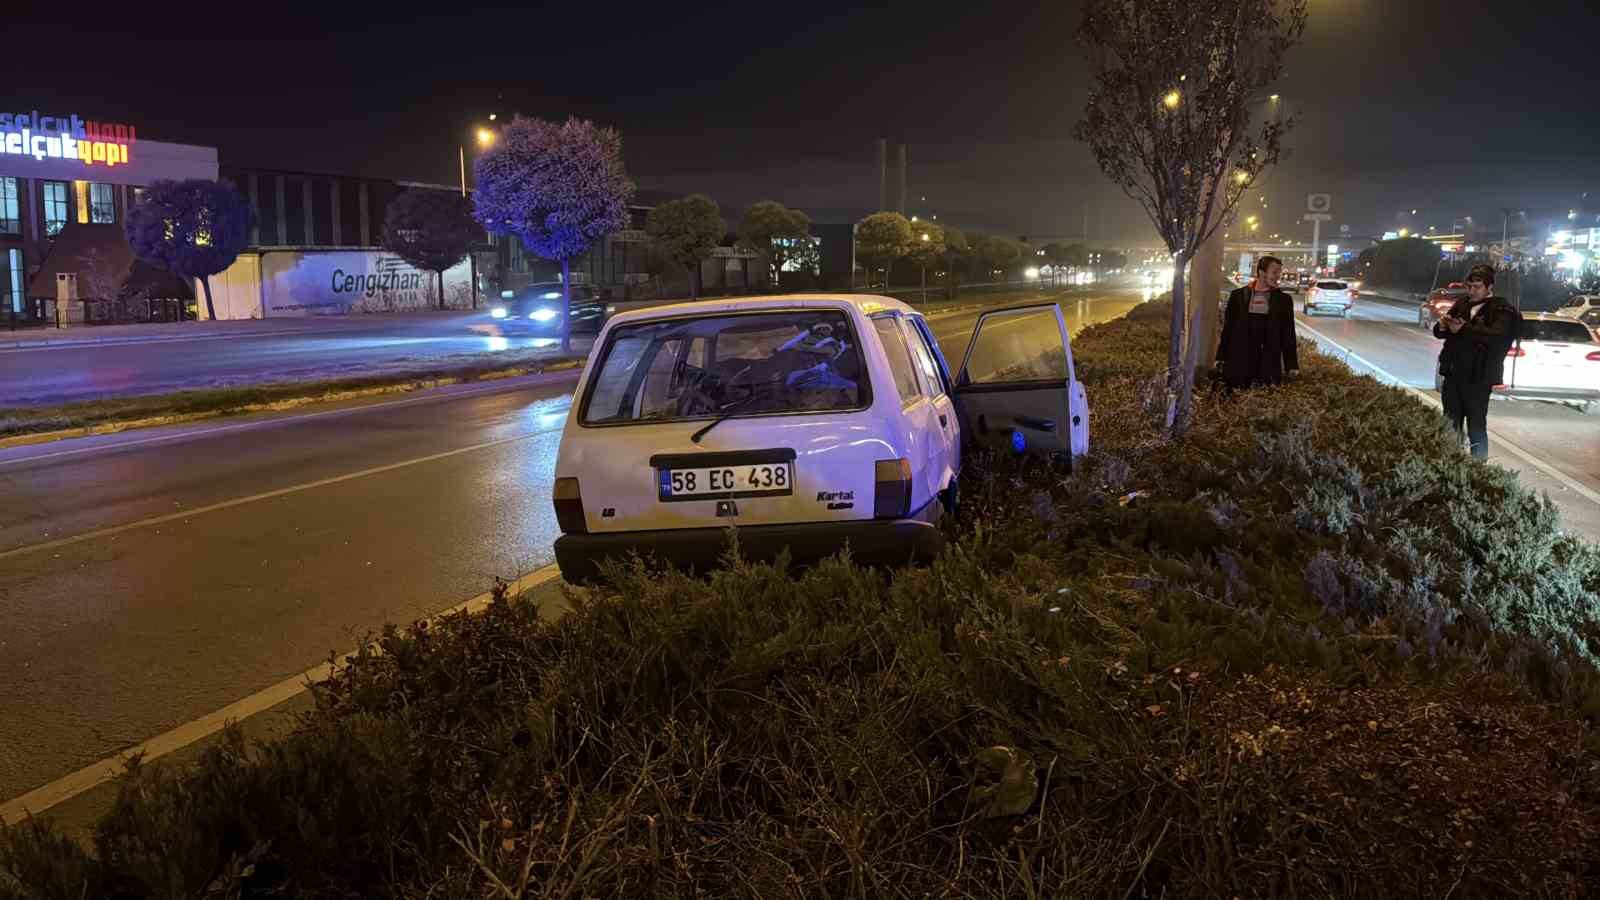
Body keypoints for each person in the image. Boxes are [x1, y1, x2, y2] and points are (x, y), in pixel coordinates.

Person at [1433, 263, 1519, 459]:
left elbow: (1497, 336)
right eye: (1470, 286)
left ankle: (1478, 471)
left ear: (1489, 287)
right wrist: (1444, 325)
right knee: (1450, 422)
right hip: (1454, 374)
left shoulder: (1501, 309)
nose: (1472, 291)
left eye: (1477, 287)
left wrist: (1464, 329)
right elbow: (1440, 332)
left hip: (1478, 377)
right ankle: (1450, 464)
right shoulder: (1462, 303)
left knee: (1476, 425)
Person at [1216, 255, 1299, 390]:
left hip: (1268, 363)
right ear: (1261, 272)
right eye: (1274, 272)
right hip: (1239, 361)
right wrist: (1221, 357)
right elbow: (1228, 329)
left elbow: (1288, 333)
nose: (1278, 276)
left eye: (1279, 272)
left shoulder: (1283, 300)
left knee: (1264, 400)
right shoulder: (1238, 296)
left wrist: (1292, 365)